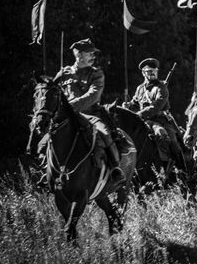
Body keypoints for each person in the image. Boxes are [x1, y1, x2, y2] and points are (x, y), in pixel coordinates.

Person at [54, 38, 126, 185]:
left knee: (105, 133)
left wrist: (70, 106)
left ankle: (115, 168)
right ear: (78, 55)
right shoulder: (63, 73)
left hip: (90, 115)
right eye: (90, 54)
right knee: (46, 136)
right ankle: (46, 168)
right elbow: (53, 92)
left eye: (94, 54)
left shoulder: (96, 73)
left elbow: (93, 95)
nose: (93, 56)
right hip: (66, 116)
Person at [123, 58, 182, 166]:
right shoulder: (140, 88)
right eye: (149, 71)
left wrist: (139, 115)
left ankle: (178, 167)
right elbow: (135, 103)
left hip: (160, 120)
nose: (153, 73)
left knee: (170, 140)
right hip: (144, 121)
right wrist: (128, 106)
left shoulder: (161, 87)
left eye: (154, 71)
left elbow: (156, 106)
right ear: (143, 73)